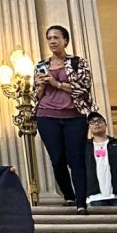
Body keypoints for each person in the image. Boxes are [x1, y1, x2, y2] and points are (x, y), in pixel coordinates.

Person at [33, 24, 97, 212]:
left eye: (56, 38)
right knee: (57, 158)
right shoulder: (41, 65)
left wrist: (57, 83)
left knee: (76, 159)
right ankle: (68, 195)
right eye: (49, 38)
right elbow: (35, 96)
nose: (52, 41)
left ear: (65, 41)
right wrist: (40, 86)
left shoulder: (78, 62)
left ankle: (81, 202)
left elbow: (83, 88)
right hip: (46, 115)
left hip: (74, 115)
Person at [83, 112, 117, 212]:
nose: (96, 123)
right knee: (100, 227)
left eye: (99, 121)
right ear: (89, 127)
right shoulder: (85, 147)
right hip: (95, 196)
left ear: (106, 125)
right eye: (92, 122)